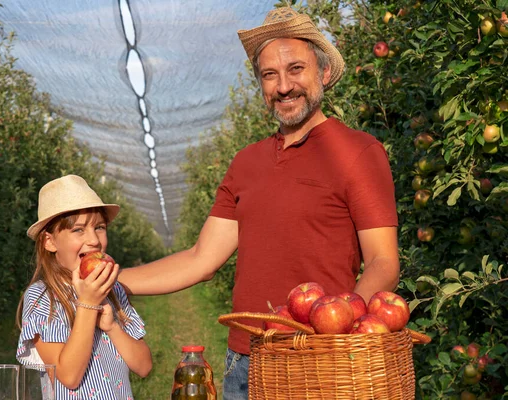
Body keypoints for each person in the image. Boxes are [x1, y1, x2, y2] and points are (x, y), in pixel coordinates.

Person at [118, 7, 399, 399]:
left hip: (319, 358)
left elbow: (384, 263)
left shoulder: (357, 152)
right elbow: (201, 259)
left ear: (325, 73)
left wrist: (336, 329)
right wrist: (112, 279)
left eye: (296, 69)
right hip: (245, 361)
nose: (284, 86)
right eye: (270, 75)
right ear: (261, 85)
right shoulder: (246, 162)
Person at [16, 174, 152, 399]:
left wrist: (113, 328)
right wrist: (87, 305)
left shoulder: (112, 289)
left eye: (99, 227)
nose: (94, 240)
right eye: (78, 230)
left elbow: (144, 366)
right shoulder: (44, 297)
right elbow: (68, 376)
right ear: (49, 242)